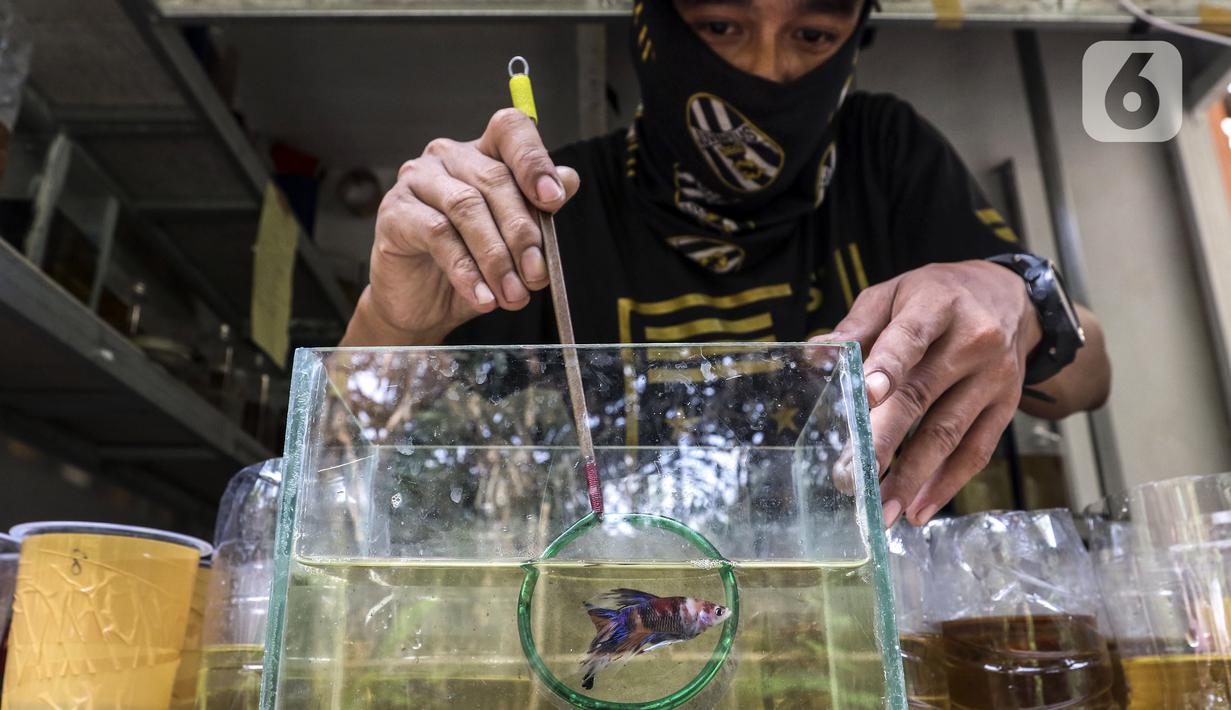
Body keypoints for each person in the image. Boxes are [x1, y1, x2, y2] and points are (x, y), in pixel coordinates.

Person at [341, 0, 1111, 527]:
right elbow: (344, 476)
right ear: (651, 25)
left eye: (811, 33)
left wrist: (1017, 294)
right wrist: (388, 322)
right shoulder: (547, 213)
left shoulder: (884, 156)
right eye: (719, 24)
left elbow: (1084, 382)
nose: (766, 70)